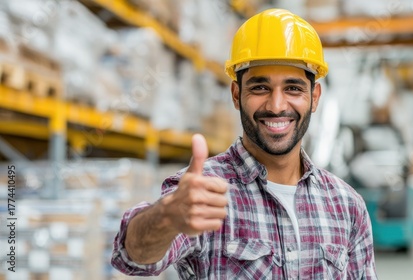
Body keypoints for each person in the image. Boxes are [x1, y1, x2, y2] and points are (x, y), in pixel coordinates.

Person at [111, 9, 377, 279]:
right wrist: (166, 217)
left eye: (293, 88)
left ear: (315, 96)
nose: (276, 106)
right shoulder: (203, 192)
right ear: (237, 94)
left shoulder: (346, 204)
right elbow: (133, 258)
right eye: (260, 88)